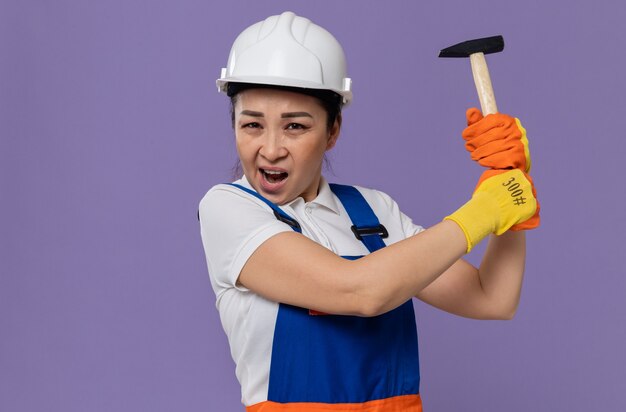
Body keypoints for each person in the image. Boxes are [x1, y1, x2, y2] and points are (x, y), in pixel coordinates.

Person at [199, 11, 540, 412]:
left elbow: (492, 298)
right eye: (252, 125)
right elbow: (360, 290)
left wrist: (511, 194)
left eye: (295, 127)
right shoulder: (228, 209)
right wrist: (482, 212)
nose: (271, 148)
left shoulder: (373, 212)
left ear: (333, 131)